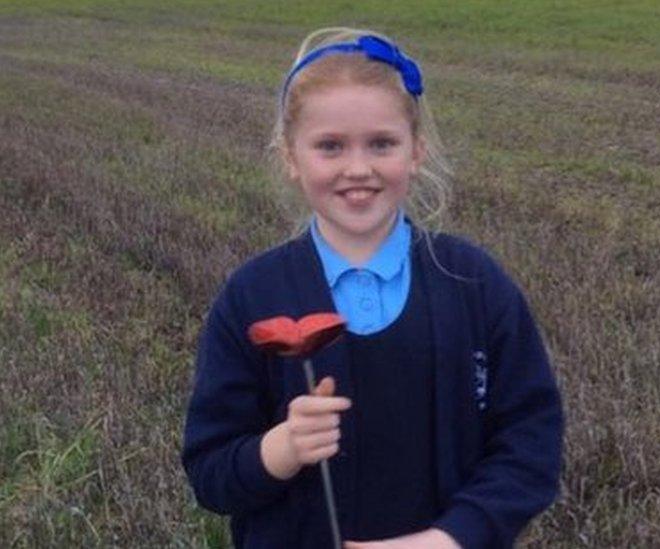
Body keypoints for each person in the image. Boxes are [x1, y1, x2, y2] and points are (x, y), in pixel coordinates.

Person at [181, 27, 563, 549]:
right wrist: (283, 447)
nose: (357, 169)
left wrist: (451, 538)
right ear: (292, 157)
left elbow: (531, 443)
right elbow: (211, 472)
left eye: (381, 144)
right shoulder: (250, 296)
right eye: (330, 146)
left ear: (415, 151)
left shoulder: (475, 284)